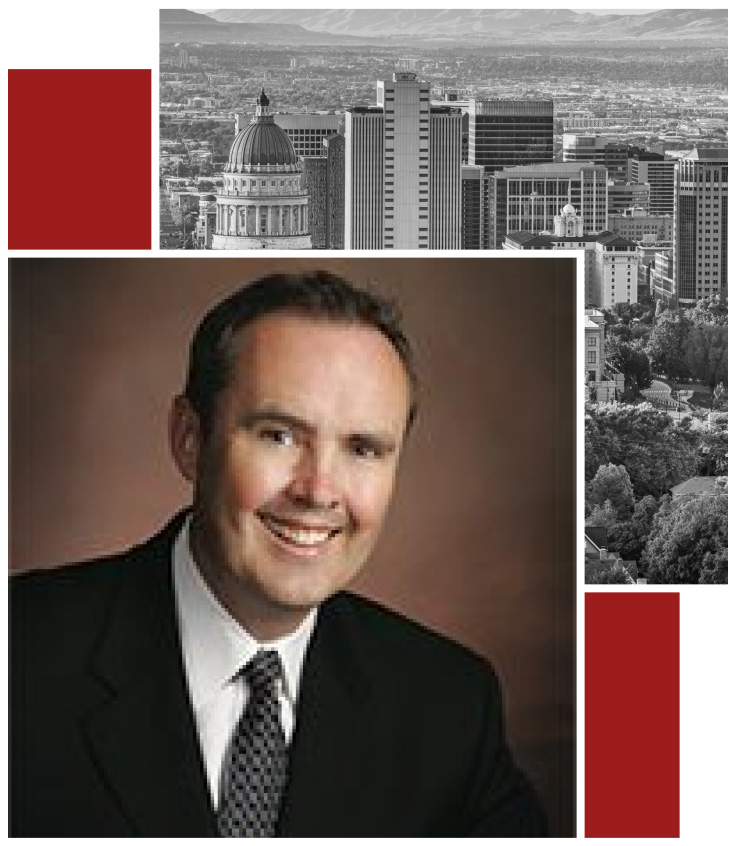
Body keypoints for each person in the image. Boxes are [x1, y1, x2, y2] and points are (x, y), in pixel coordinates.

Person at [10, 270, 546, 837]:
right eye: (278, 436)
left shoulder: (448, 704)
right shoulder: (19, 653)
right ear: (190, 440)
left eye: (363, 449)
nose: (317, 491)